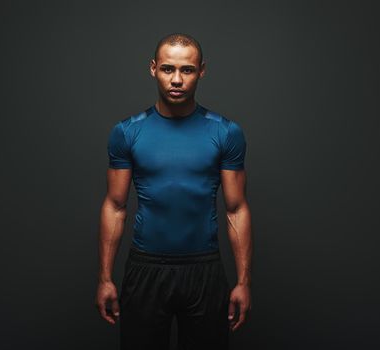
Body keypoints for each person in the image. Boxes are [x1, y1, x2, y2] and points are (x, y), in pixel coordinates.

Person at [95, 32, 253, 350]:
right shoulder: (127, 132)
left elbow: (236, 209)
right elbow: (115, 205)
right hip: (146, 270)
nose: (177, 80)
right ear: (153, 69)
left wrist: (243, 281)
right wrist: (105, 278)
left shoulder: (225, 132)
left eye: (187, 70)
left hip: (204, 270)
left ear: (202, 71)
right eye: (168, 69)